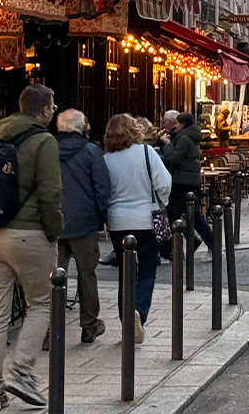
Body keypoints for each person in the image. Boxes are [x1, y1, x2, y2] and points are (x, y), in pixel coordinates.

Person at [0, 84, 62, 411]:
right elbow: (51, 193)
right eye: (52, 107)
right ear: (43, 110)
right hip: (28, 234)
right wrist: (53, 233)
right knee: (41, 303)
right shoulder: (44, 141)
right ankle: (22, 372)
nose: (53, 112)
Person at [103, 113, 171, 343]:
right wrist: (161, 201)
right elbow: (164, 183)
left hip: (117, 222)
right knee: (148, 270)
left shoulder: (107, 159)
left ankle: (127, 323)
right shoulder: (146, 152)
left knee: (125, 272)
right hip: (145, 219)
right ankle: (138, 315)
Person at [55, 109, 110, 344]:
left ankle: (50, 331)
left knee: (53, 277)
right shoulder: (91, 151)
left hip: (52, 221)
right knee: (87, 274)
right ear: (82, 127)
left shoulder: (48, 148)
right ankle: (89, 324)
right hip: (84, 221)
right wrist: (102, 215)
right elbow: (102, 186)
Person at [160, 112, 212, 252]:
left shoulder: (184, 139)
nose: (175, 126)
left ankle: (169, 250)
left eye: (177, 123)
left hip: (181, 181)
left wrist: (167, 144)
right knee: (192, 215)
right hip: (189, 180)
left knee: (173, 214)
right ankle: (207, 242)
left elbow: (173, 159)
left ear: (182, 124)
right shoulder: (189, 136)